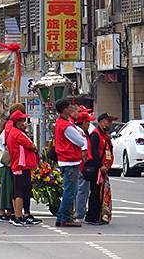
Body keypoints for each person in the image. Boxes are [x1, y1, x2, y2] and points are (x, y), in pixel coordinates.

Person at [54, 98, 88, 228]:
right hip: (70, 160)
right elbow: (80, 141)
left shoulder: (61, 123)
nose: (71, 109)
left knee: (69, 191)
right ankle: (64, 217)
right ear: (65, 109)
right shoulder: (66, 126)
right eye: (69, 107)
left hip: (65, 160)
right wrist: (81, 135)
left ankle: (62, 217)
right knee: (70, 192)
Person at [6, 110, 40, 226]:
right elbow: (32, 146)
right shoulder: (18, 134)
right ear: (16, 122)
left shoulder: (12, 132)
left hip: (17, 165)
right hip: (22, 165)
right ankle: (18, 216)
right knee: (21, 192)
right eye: (21, 120)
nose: (23, 122)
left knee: (17, 191)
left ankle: (17, 215)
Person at [85, 113, 117, 225]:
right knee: (95, 193)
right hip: (96, 168)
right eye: (108, 121)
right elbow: (94, 152)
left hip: (103, 168)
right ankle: (91, 216)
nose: (110, 124)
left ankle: (97, 216)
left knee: (101, 193)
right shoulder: (96, 135)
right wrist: (100, 165)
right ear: (101, 122)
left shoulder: (105, 135)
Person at [74, 110, 95, 223]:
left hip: (80, 165)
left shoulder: (82, 131)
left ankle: (78, 212)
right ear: (82, 122)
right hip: (82, 165)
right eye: (87, 122)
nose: (89, 124)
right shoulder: (81, 133)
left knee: (80, 190)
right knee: (82, 190)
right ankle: (79, 214)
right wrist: (86, 163)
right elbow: (84, 151)